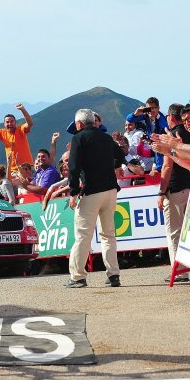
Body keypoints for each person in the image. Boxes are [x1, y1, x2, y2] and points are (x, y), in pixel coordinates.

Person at [66, 109, 125, 288]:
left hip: (91, 191)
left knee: (83, 236)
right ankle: (113, 275)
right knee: (109, 235)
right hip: (110, 190)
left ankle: (78, 277)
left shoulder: (78, 138)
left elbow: (73, 167)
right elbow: (121, 156)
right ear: (93, 122)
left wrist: (73, 191)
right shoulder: (106, 137)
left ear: (79, 124)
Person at [152, 104, 190, 282]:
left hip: (177, 189)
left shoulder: (174, 136)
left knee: (175, 233)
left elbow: (167, 166)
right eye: (185, 120)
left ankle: (180, 270)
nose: (187, 123)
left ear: (170, 116)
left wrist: (161, 191)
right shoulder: (189, 135)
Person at [126, 97, 168, 176]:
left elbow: (160, 145)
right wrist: (136, 113)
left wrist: (157, 168)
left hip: (162, 150)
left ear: (158, 108)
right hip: (153, 147)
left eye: (153, 108)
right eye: (148, 108)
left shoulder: (163, 121)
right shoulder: (146, 116)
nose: (151, 111)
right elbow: (129, 119)